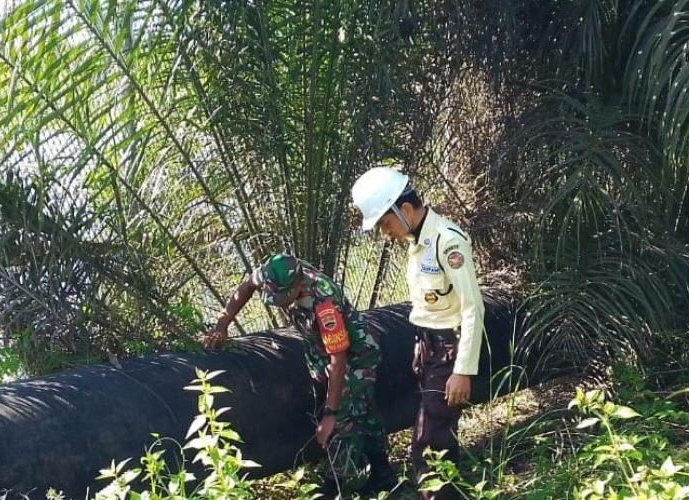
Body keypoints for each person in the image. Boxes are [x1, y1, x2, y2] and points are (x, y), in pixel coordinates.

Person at [201, 254, 398, 498]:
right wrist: (222, 324)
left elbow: (339, 359)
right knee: (363, 413)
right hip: (322, 352)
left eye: (283, 297)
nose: (280, 303)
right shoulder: (275, 271)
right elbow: (248, 285)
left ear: (299, 285)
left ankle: (335, 488)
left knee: (344, 423)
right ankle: (384, 474)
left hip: (356, 357)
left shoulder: (325, 303)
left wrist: (330, 414)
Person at [351, 167, 486, 500]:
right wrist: (419, 343)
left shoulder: (447, 241)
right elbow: (428, 304)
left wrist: (462, 370)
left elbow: (472, 308)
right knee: (435, 437)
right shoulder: (417, 243)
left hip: (450, 351)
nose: (386, 232)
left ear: (405, 210)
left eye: (386, 223)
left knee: (429, 443)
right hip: (428, 347)